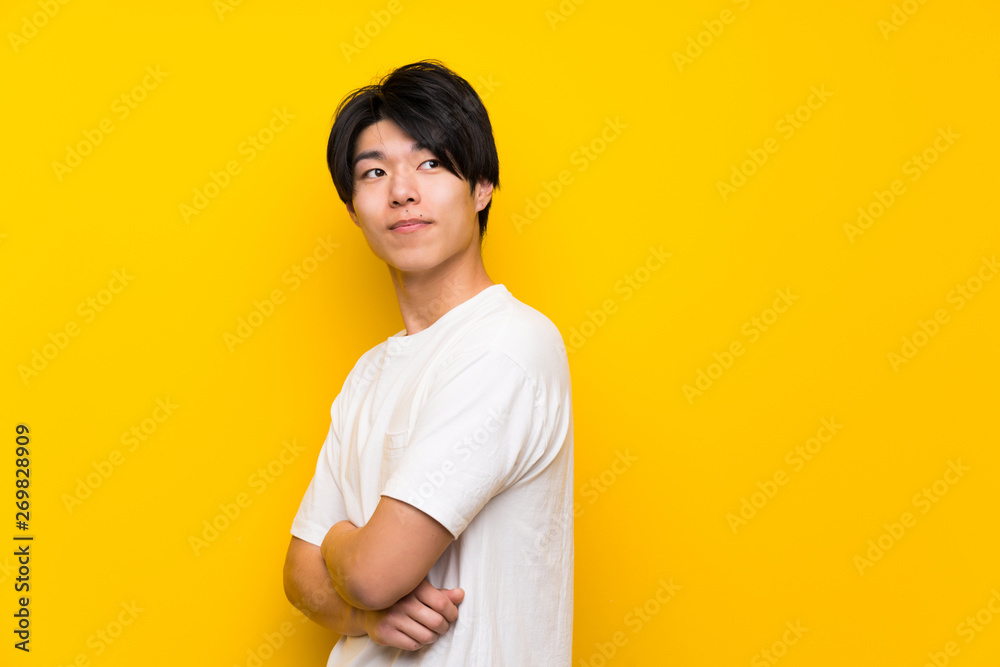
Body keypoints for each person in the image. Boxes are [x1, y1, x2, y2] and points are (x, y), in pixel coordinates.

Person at [282, 59, 574, 665]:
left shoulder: (508, 345)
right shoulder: (369, 374)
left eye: (431, 163)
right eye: (374, 171)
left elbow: (369, 572)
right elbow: (298, 578)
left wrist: (338, 544)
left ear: (482, 186)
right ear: (353, 206)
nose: (402, 190)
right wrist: (364, 615)